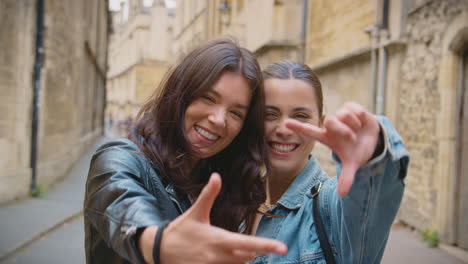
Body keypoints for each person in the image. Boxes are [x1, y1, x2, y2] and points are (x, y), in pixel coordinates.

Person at [84, 39, 287, 264]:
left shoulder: (220, 182)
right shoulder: (119, 158)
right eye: (209, 98)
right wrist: (160, 242)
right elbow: (122, 207)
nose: (219, 120)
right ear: (182, 93)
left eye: (236, 113)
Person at [249, 60, 409, 263]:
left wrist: (374, 155)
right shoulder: (234, 199)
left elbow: (367, 201)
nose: (284, 129)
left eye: (300, 115)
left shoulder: (329, 206)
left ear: (321, 123)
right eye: (270, 114)